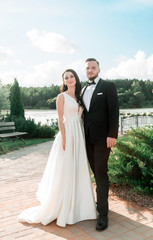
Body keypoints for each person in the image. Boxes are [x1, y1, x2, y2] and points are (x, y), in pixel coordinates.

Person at [18, 69, 97, 227]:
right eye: (66, 78)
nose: (69, 79)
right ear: (63, 81)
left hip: (79, 133)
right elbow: (60, 119)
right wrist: (65, 139)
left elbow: (83, 116)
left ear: (75, 78)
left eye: (71, 76)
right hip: (68, 133)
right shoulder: (61, 97)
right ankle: (64, 204)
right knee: (66, 168)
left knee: (79, 167)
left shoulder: (80, 96)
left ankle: (81, 205)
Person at [81, 58, 119, 231]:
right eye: (87, 68)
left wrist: (113, 135)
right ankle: (101, 201)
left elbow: (114, 111)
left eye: (93, 67)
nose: (90, 70)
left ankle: (103, 214)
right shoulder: (83, 89)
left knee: (101, 172)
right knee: (95, 171)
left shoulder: (108, 86)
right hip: (87, 139)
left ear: (99, 69)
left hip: (103, 139)